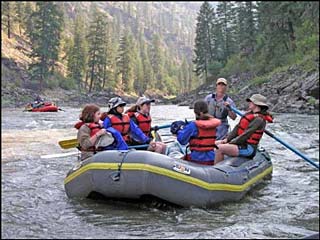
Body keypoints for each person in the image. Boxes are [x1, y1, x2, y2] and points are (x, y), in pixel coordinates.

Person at [214, 94, 273, 164]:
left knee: (220, 148)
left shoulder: (259, 120)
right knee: (214, 144)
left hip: (248, 148)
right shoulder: (249, 114)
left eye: (251, 102)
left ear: (257, 104)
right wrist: (227, 139)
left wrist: (230, 143)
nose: (249, 103)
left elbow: (246, 134)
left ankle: (216, 169)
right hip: (240, 144)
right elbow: (238, 127)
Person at [170, 100, 221, 165]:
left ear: (195, 112)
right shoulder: (213, 125)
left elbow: (182, 141)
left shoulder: (193, 125)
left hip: (196, 159)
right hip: (212, 158)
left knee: (178, 161)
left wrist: (179, 131)